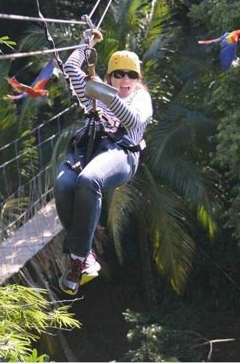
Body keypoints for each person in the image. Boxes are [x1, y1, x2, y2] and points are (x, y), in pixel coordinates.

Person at [54, 30, 153, 295]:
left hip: (122, 154)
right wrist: (87, 44)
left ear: (137, 80)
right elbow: (72, 67)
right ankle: (84, 257)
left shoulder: (140, 98)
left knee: (90, 180)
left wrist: (106, 95)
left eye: (131, 75)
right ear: (109, 76)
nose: (124, 80)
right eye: (118, 74)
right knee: (63, 186)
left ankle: (77, 259)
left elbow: (134, 121)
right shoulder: (93, 93)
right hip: (87, 150)